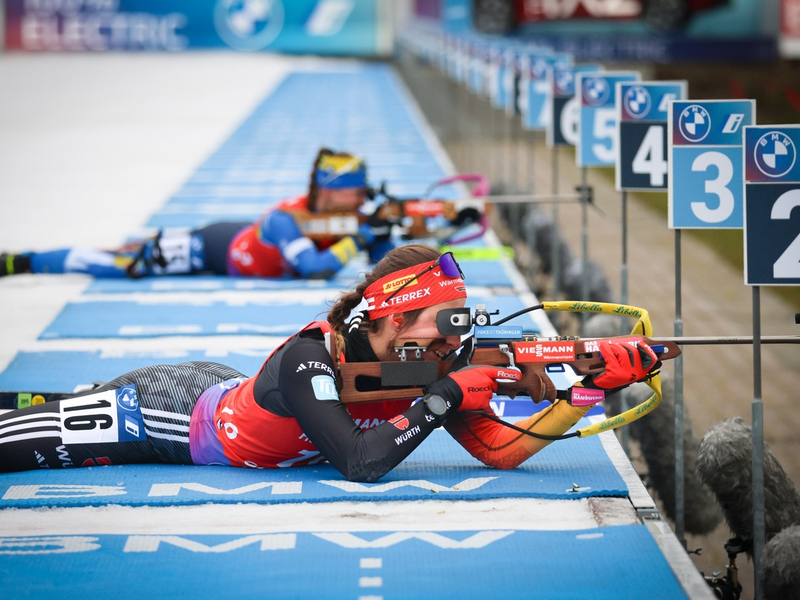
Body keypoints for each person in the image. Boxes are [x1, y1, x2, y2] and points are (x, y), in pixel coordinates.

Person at [0, 245, 659, 481]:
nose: (448, 346)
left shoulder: (432, 362)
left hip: (219, 386)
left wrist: (584, 392)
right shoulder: (308, 358)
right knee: (17, 438)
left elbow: (498, 449)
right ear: (391, 317)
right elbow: (359, 462)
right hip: (165, 416)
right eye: (437, 329)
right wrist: (449, 395)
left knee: (40, 407)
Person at [0, 148, 395, 280]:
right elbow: (314, 268)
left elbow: (380, 267)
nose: (363, 198)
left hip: (237, 237)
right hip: (212, 248)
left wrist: (383, 234)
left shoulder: (349, 218)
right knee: (120, 262)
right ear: (330, 190)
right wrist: (359, 237)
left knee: (127, 250)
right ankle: (25, 261)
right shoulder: (284, 218)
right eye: (356, 191)